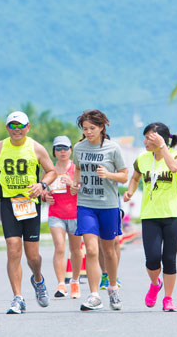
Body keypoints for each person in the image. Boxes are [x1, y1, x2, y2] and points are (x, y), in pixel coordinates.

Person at [0, 111, 57, 314]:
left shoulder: (36, 148)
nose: (16, 130)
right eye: (12, 126)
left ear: (28, 127)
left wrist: (41, 185)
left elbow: (52, 171)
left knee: (32, 256)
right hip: (8, 202)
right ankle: (18, 297)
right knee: (13, 247)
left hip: (30, 203)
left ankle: (38, 278)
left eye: (20, 126)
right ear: (7, 128)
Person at [124, 122, 177, 312]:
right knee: (152, 259)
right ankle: (154, 283)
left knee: (169, 259)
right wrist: (129, 191)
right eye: (145, 138)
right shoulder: (142, 159)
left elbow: (174, 168)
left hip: (173, 215)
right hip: (150, 216)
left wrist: (163, 147)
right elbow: (134, 178)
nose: (144, 142)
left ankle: (168, 298)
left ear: (160, 139)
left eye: (149, 138)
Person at [70, 109, 128, 311]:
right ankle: (94, 295)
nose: (88, 132)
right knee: (91, 250)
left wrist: (109, 175)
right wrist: (75, 185)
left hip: (108, 206)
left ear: (102, 127)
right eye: (85, 129)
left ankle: (113, 288)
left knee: (109, 251)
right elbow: (77, 169)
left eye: (92, 128)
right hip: (85, 205)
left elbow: (124, 176)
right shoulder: (78, 148)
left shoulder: (112, 148)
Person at [44, 135, 82, 299]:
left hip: (74, 213)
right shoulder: (50, 171)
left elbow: (82, 190)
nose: (62, 152)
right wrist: (45, 197)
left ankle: (74, 281)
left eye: (65, 148)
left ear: (70, 150)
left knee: (75, 250)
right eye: (58, 149)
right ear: (54, 152)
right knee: (59, 247)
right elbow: (43, 189)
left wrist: (73, 184)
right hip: (56, 213)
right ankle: (61, 284)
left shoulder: (76, 169)